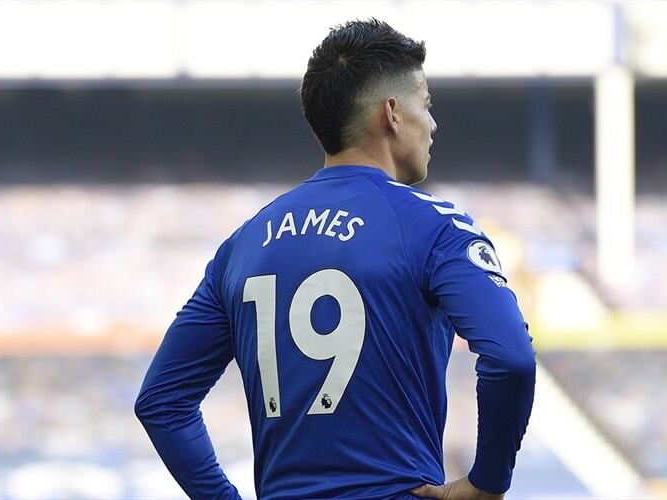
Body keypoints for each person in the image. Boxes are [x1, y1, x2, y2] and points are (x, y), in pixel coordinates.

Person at [135, 19, 535, 500]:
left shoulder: (242, 244)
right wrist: (485, 484)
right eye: (426, 105)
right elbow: (510, 358)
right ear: (391, 113)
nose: (432, 124)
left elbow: (162, 401)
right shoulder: (435, 227)